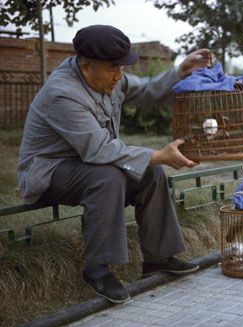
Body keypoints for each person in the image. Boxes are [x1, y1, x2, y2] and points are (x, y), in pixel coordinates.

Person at [17, 25, 211, 303]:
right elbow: (99, 149)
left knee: (151, 171)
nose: (119, 76)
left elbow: (146, 90)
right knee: (108, 176)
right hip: (49, 171)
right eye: (113, 68)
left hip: (89, 164)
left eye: (121, 68)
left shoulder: (106, 75)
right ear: (85, 67)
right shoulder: (62, 93)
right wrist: (160, 153)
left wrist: (180, 70)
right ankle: (97, 270)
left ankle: (159, 257)